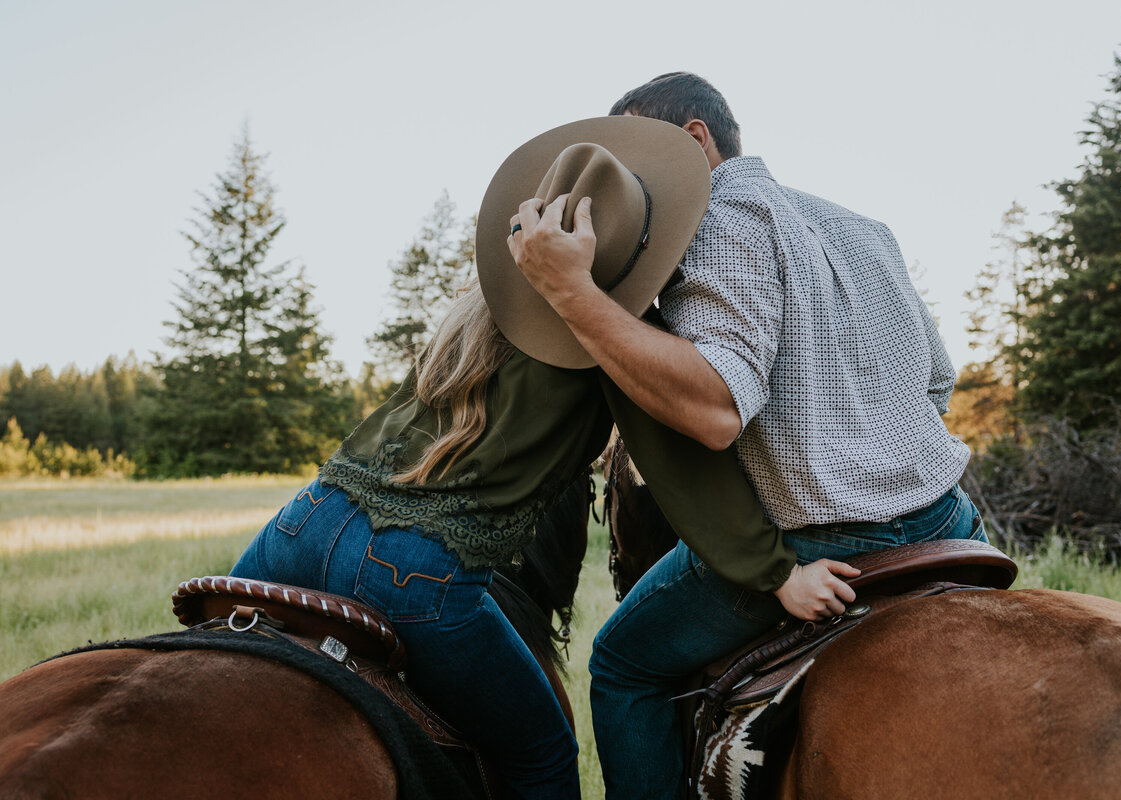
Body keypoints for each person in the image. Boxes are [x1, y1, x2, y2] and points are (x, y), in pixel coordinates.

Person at [228, 115, 783, 800]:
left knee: (207, 659)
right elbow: (689, 481)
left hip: (300, 524)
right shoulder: (613, 339)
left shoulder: (475, 313)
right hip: (413, 575)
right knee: (542, 749)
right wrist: (775, 571)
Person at [508, 72, 988, 798]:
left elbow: (716, 409)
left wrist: (575, 295)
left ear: (695, 138)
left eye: (638, 159)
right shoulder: (861, 227)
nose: (632, 194)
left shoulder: (717, 214)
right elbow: (937, 380)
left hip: (822, 536)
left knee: (620, 666)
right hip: (946, 516)